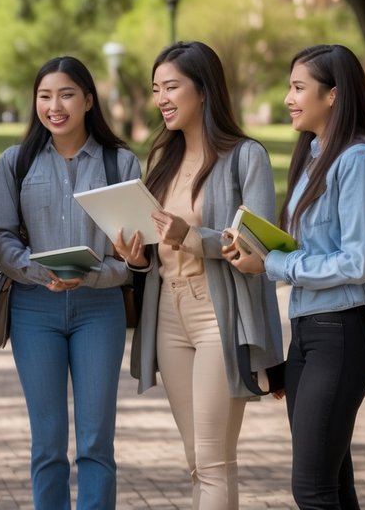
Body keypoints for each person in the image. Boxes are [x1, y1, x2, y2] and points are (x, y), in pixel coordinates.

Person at [113, 41, 282, 510]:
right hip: (168, 311)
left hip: (218, 314)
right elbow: (153, 248)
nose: (161, 98)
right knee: (195, 458)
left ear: (203, 90)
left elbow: (257, 244)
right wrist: (135, 257)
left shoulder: (247, 156)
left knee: (212, 462)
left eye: (171, 87)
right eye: (155, 89)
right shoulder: (162, 162)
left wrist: (193, 236)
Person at [227, 44, 365, 510]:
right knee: (333, 484)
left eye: (299, 88)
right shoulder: (316, 155)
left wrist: (273, 265)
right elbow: (316, 248)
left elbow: (359, 261)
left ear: (334, 95)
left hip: (342, 332)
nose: (288, 98)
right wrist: (258, 248)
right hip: (308, 331)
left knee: (312, 489)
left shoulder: (358, 160)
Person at [0, 57, 140, 509]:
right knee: (48, 445)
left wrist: (90, 275)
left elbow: (133, 257)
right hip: (34, 311)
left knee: (96, 442)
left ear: (89, 100)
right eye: (45, 96)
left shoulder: (120, 163)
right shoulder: (15, 163)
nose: (55, 106)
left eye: (67, 94)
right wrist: (40, 271)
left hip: (100, 312)